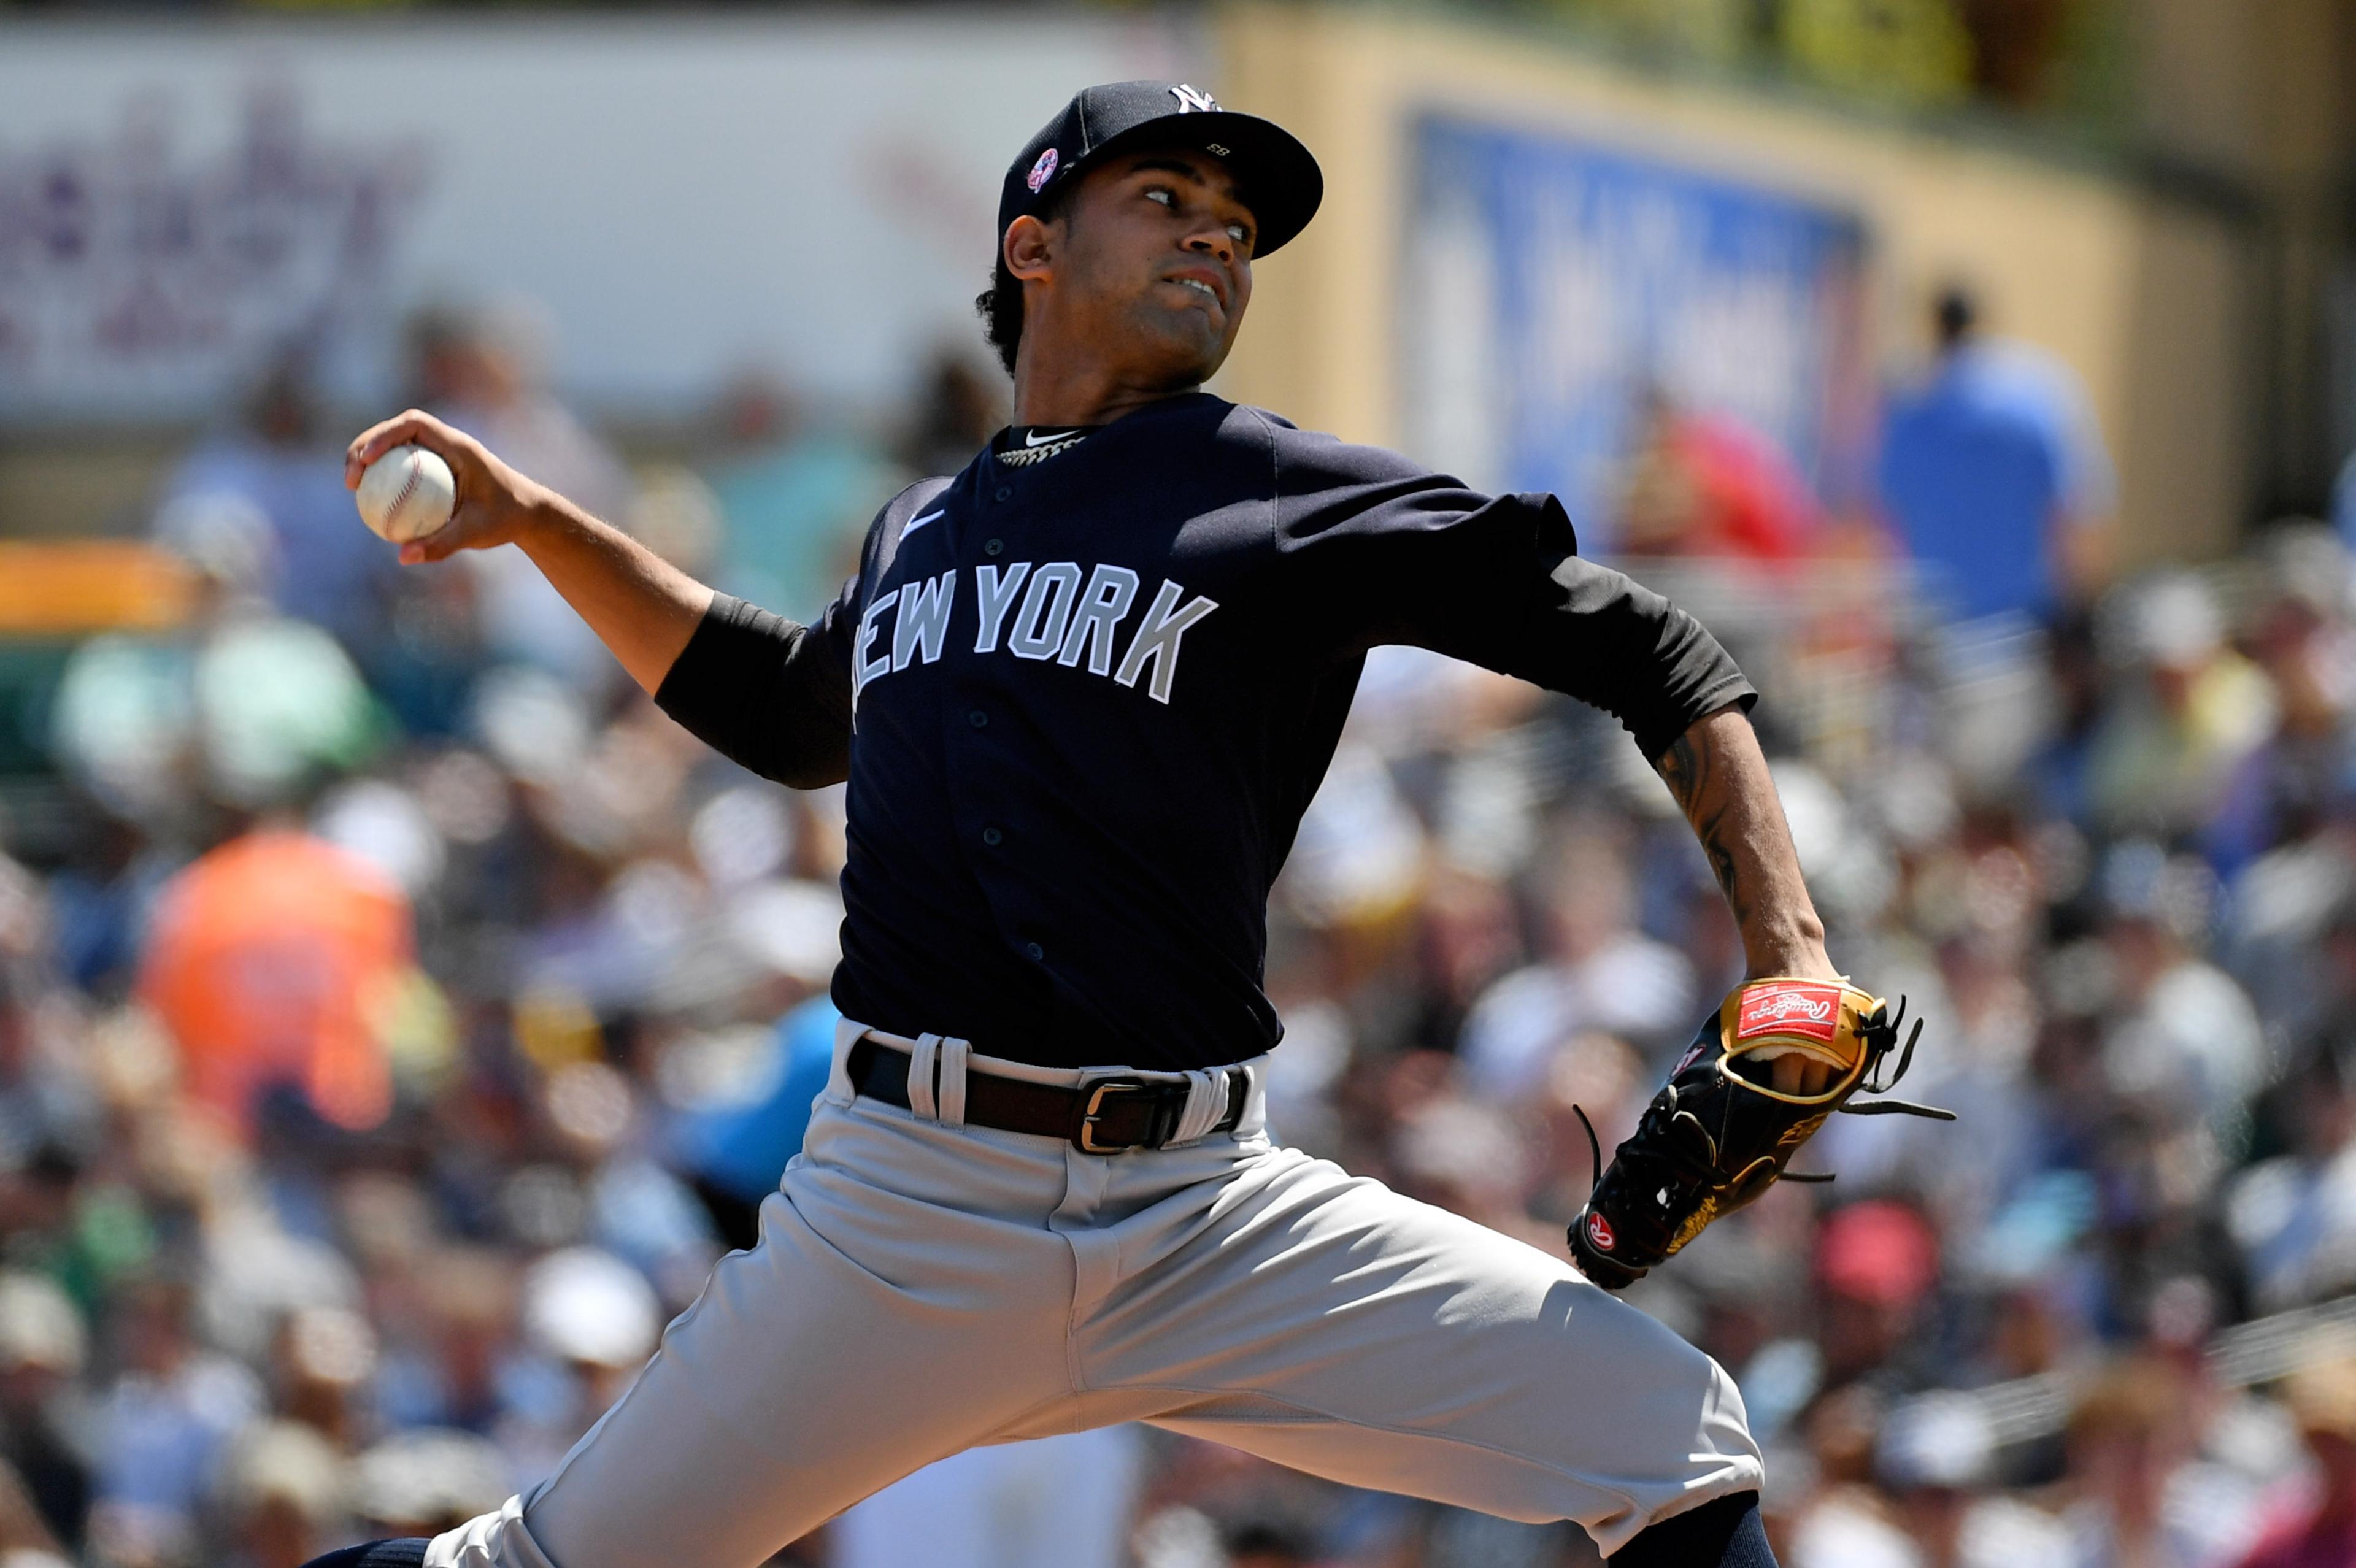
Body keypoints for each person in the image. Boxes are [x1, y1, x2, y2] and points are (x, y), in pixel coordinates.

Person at [318, 80, 1877, 1568]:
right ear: (1032, 244)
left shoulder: (1280, 494)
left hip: (1206, 1207)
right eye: (1167, 197)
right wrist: (534, 523)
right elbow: (794, 708)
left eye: (1235, 224)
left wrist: (1790, 952)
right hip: (904, 1217)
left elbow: (1650, 646)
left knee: (1668, 1437)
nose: (1216, 234)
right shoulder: (919, 524)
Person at [1876, 286, 2116, 626]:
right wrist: (2084, 612)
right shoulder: (2039, 396)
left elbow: (1881, 515)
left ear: (1936, 326)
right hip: (2026, 626)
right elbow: (2083, 513)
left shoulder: (1910, 409)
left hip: (1936, 628)